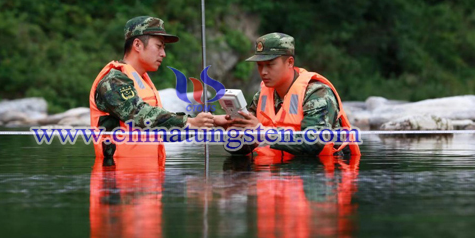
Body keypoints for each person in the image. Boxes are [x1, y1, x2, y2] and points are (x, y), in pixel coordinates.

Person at [89, 16, 214, 160]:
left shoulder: (143, 81)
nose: (163, 54)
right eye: (159, 46)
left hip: (147, 178)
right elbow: (139, 114)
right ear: (137, 45)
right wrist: (188, 122)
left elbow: (162, 130)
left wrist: (211, 121)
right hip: (118, 178)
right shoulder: (113, 81)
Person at [229, 32, 361, 159]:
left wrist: (263, 133)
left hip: (322, 172)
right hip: (280, 173)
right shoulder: (262, 95)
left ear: (290, 62)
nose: (263, 72)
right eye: (259, 65)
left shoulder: (317, 93)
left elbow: (314, 143)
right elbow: (239, 149)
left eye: (270, 65)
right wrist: (230, 128)